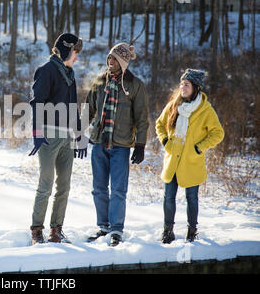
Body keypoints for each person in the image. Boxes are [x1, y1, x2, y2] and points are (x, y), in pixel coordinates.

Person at [83, 43, 149, 246]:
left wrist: (140, 145)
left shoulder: (135, 85)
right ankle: (103, 227)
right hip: (99, 143)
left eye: (114, 59)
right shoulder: (99, 81)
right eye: (109, 58)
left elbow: (142, 118)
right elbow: (88, 109)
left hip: (120, 146)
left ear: (122, 62)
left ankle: (116, 230)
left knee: (118, 190)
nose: (110, 62)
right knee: (98, 188)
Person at [28, 33, 87, 245]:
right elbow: (37, 102)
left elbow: (73, 108)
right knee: (45, 185)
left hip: (68, 136)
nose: (76, 58)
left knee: (64, 186)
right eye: (75, 53)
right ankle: (37, 231)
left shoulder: (70, 74)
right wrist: (37, 133)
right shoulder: (46, 71)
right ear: (65, 50)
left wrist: (79, 134)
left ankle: (56, 230)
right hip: (49, 136)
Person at [155, 69, 224, 244]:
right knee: (168, 198)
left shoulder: (205, 110)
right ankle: (167, 231)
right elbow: (160, 124)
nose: (182, 88)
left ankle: (192, 232)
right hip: (172, 159)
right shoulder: (174, 105)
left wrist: (199, 148)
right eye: (181, 84)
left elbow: (218, 133)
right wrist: (164, 141)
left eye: (186, 85)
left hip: (191, 161)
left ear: (195, 87)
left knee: (191, 199)